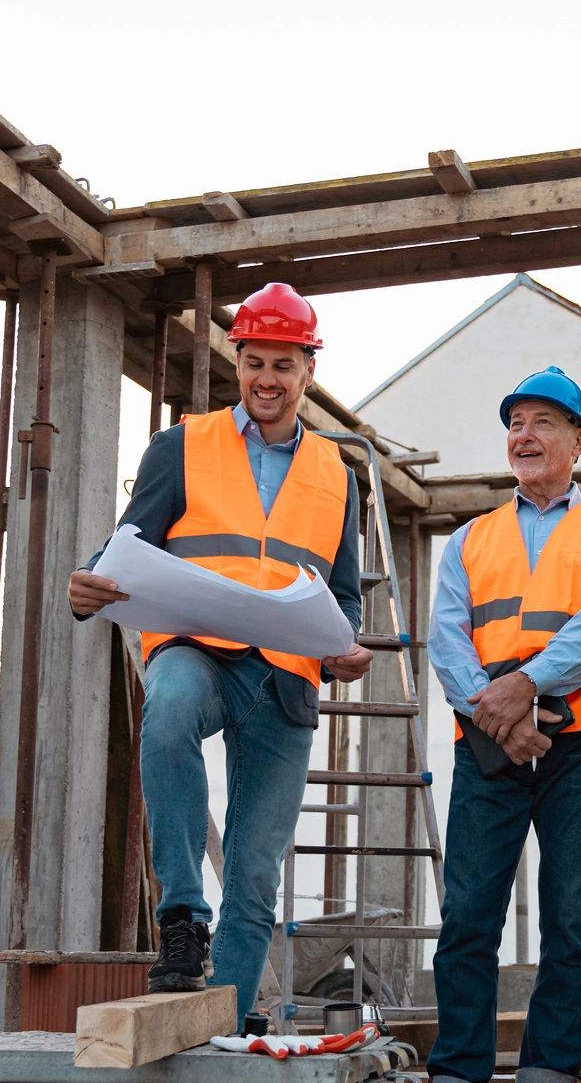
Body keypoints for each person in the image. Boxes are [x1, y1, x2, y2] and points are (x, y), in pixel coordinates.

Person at [66, 283, 373, 1026]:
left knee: (256, 864)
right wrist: (87, 584)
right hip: (193, 648)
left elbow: (343, 592)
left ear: (307, 371)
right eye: (254, 362)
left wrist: (345, 649)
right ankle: (180, 917)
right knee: (166, 712)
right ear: (237, 363)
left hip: (284, 676)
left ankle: (229, 1017)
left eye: (284, 365)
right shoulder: (181, 446)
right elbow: (123, 550)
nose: (267, 379)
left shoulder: (338, 474)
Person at [402, 367, 581, 1083]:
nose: (525, 435)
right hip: (489, 739)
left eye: (544, 422)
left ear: (579, 441)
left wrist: (524, 688)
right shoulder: (470, 538)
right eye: (515, 422)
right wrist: (496, 715)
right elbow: (445, 636)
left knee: (570, 919)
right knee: (469, 916)